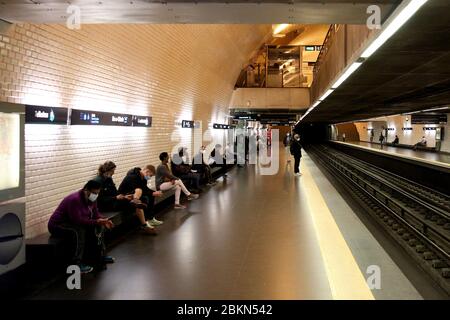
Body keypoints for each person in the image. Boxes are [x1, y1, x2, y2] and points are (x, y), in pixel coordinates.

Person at [48, 180, 115, 274]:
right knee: (79, 231)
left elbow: (96, 214)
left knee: (99, 226)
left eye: (97, 193)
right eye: (94, 193)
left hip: (73, 223)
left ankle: (100, 255)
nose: (96, 195)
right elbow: (77, 220)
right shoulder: (74, 199)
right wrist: (96, 221)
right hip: (58, 225)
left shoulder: (92, 199)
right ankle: (76, 263)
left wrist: (104, 220)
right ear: (86, 190)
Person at [118, 165, 163, 234]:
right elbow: (138, 189)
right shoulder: (133, 177)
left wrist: (154, 192)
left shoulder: (143, 178)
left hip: (133, 195)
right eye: (150, 176)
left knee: (150, 196)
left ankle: (150, 218)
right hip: (124, 197)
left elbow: (145, 188)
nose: (149, 177)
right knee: (144, 198)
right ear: (147, 171)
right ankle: (144, 224)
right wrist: (152, 193)